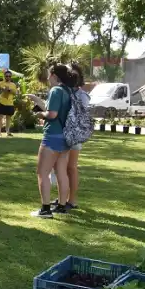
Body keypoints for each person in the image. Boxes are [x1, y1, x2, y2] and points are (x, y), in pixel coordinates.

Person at [31, 64, 74, 218]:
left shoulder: (56, 90)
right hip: (65, 137)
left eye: (49, 75)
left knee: (42, 172)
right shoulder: (68, 90)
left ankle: (45, 209)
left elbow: (52, 114)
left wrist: (40, 114)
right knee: (61, 172)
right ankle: (62, 206)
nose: (47, 78)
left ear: (54, 75)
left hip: (52, 136)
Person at [59, 64, 89, 211]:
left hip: (74, 135)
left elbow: (81, 117)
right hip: (62, 134)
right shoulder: (64, 91)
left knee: (71, 167)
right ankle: (62, 199)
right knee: (62, 168)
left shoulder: (81, 95)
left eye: (74, 74)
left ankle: (72, 200)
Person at [0, 70, 19, 137]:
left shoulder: (13, 84)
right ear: (4, 76)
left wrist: (11, 91)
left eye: (9, 76)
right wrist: (1, 90)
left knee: (8, 118)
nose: (8, 77)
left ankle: (7, 132)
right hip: (2, 102)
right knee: (0, 117)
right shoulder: (0, 83)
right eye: (6, 76)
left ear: (11, 77)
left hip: (10, 103)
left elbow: (16, 93)